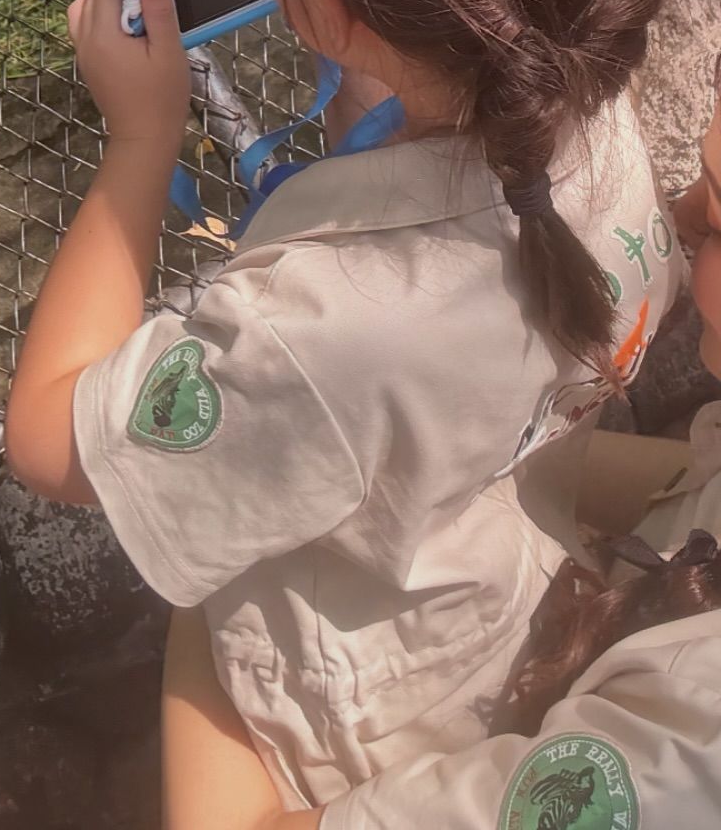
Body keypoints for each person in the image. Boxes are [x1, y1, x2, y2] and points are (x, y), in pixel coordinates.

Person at [5, 0, 685, 815]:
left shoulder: (313, 329)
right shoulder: (587, 96)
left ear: (321, 0)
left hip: (372, 695)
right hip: (504, 565)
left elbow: (50, 444)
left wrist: (136, 143)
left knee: (208, 626)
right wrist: (353, 17)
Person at [165, 63, 721, 830]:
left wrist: (209, 571)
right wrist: (498, 439)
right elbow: (690, 493)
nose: (679, 218)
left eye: (718, 216)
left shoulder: (679, 757)